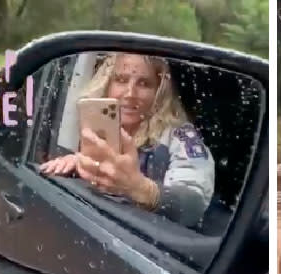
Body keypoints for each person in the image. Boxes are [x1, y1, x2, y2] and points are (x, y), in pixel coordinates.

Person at [40, 52, 215, 229]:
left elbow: (194, 204)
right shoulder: (97, 127)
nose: (130, 93)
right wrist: (80, 167)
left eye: (144, 83)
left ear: (159, 93)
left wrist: (142, 189)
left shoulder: (179, 136)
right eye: (121, 80)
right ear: (107, 84)